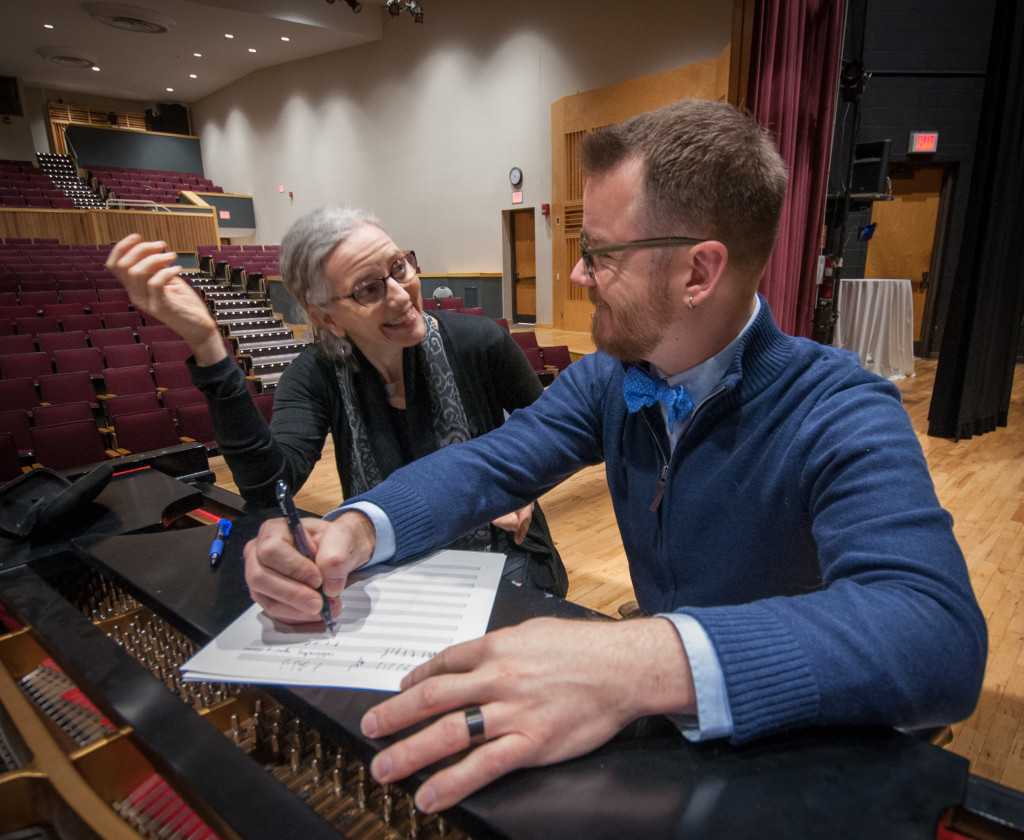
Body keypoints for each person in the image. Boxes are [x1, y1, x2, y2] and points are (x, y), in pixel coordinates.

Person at [242, 100, 987, 813]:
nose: (576, 275)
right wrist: (353, 530)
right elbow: (489, 463)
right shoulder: (610, 378)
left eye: (598, 254)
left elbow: (936, 635)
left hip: (793, 754)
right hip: (679, 747)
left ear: (699, 273)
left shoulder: (840, 406)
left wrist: (636, 660)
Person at [105, 207, 567, 596]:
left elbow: (547, 432)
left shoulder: (480, 342)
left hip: (508, 555)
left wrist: (519, 486)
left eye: (400, 267)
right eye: (368, 289)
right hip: (390, 567)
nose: (400, 294)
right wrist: (207, 343)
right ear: (327, 317)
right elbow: (270, 489)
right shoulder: (315, 373)